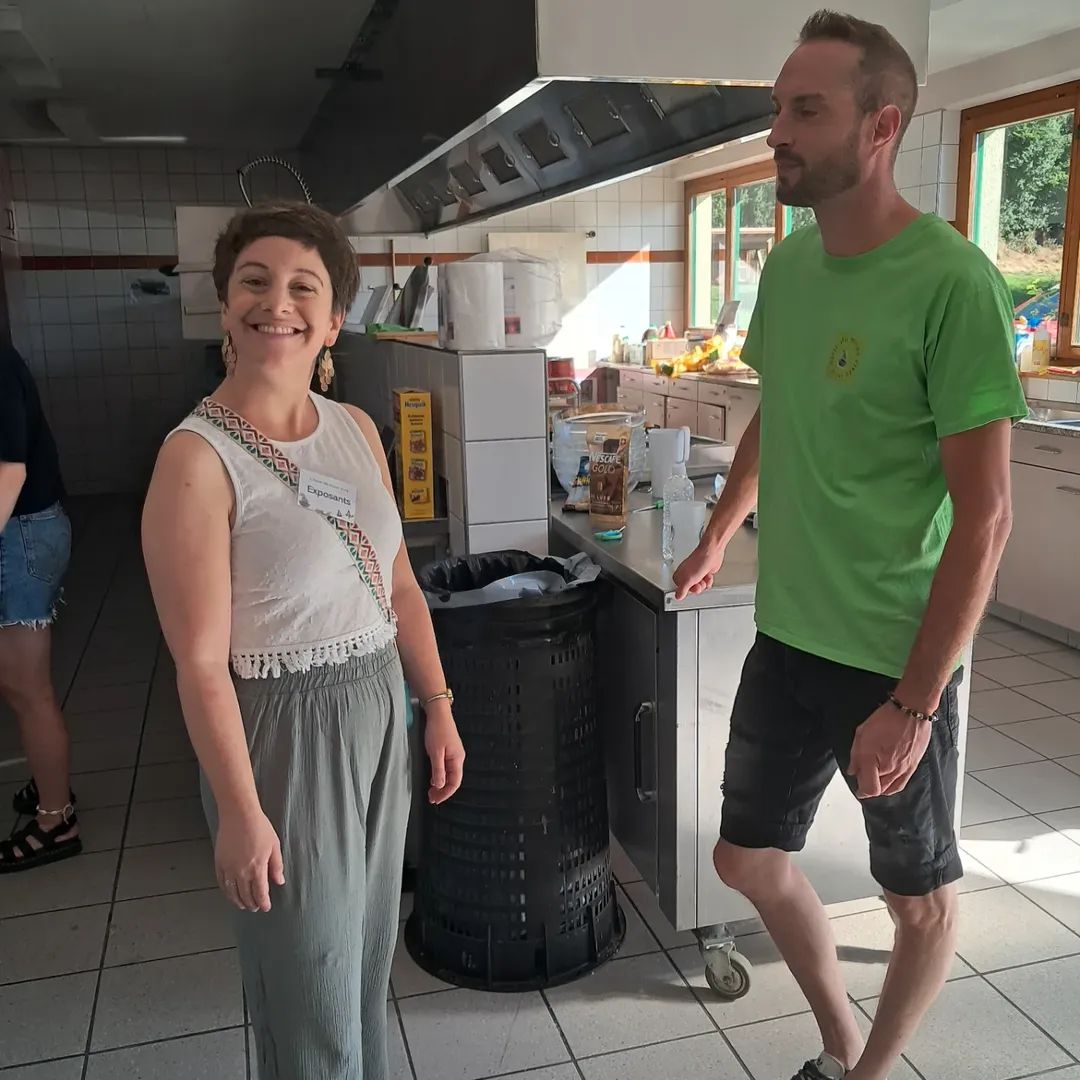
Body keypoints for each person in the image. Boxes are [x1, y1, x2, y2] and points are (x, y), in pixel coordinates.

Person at [674, 11, 1026, 1080]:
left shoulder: (952, 282)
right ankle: (837, 1040)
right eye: (778, 109)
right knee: (744, 858)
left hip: (892, 653)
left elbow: (987, 516)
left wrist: (915, 703)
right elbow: (779, 414)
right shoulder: (790, 270)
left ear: (881, 127)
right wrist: (720, 529)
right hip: (789, 633)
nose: (777, 132)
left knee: (916, 898)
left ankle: (868, 1075)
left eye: (805, 111)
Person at [141, 202, 465, 1080]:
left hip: (377, 708)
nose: (275, 302)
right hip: (279, 732)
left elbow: (399, 585)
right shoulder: (196, 460)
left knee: (362, 959)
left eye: (302, 287)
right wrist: (240, 813)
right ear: (225, 305)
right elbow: (199, 663)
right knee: (306, 981)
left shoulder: (354, 430)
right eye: (254, 281)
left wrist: (435, 704)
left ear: (332, 320)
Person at [0, 344, 78, 873]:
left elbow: (9, 470)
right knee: (21, 688)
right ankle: (46, 779)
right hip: (23, 532)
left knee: (28, 691)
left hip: (19, 536)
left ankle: (56, 819)